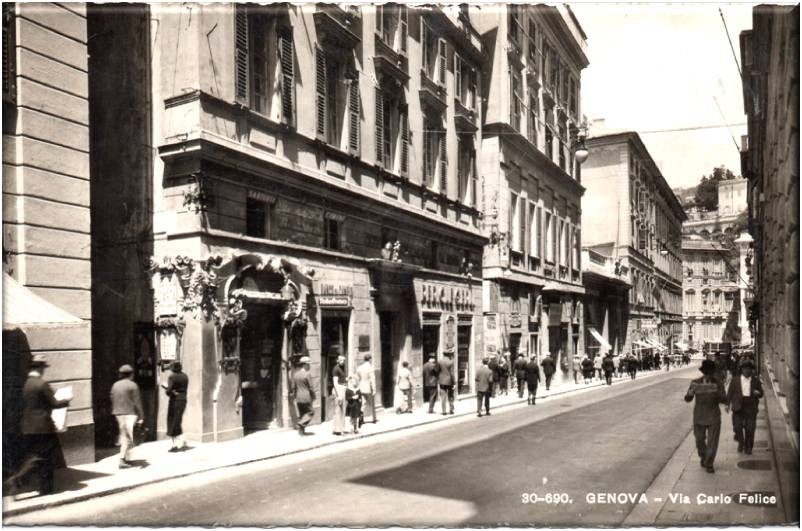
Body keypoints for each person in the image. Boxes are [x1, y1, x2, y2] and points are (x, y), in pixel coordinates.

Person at [20, 354, 71, 495]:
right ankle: (44, 488)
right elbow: (54, 403)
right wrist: (66, 400)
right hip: (43, 427)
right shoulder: (42, 384)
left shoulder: (26, 384)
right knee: (47, 458)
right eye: (43, 368)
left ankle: (22, 478)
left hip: (27, 427)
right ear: (40, 368)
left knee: (35, 455)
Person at [684, 359, 727, 473]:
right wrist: (690, 394)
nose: (708, 375)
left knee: (712, 442)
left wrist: (716, 392)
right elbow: (687, 399)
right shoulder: (695, 382)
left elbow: (724, 399)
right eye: (706, 372)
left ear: (713, 372)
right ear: (703, 372)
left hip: (714, 416)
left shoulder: (719, 383)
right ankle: (703, 456)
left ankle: (709, 463)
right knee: (699, 440)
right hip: (699, 416)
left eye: (710, 372)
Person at [726, 359, 763, 454]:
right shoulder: (735, 380)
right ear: (741, 370)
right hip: (738, 406)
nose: (747, 371)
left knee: (750, 428)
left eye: (749, 369)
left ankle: (748, 447)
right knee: (737, 427)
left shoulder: (756, 381)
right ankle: (741, 442)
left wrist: (758, 393)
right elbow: (730, 392)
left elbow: (761, 393)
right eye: (745, 369)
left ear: (751, 370)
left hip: (750, 406)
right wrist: (727, 404)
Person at [110, 364, 144, 468]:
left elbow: (112, 397)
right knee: (128, 437)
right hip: (130, 413)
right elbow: (137, 402)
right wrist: (141, 415)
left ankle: (126, 457)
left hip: (118, 413)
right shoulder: (133, 385)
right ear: (131, 374)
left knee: (124, 434)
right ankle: (122, 460)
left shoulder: (115, 385)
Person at [164, 361, 188, 452]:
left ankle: (174, 445)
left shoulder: (172, 377)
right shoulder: (185, 376)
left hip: (175, 401)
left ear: (173, 368)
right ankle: (183, 440)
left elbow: (168, 391)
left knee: (172, 421)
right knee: (178, 420)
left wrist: (168, 390)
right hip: (183, 400)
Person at [291, 356, 315, 436]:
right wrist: (313, 396)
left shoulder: (296, 374)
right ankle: (300, 424)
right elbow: (311, 387)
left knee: (302, 414)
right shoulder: (307, 374)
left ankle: (301, 432)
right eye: (308, 364)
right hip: (306, 397)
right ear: (304, 364)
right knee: (311, 412)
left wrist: (295, 397)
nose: (309, 366)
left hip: (298, 397)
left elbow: (293, 387)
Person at [356, 354, 377, 423]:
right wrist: (374, 389)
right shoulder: (370, 368)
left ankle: (361, 416)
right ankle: (373, 418)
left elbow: (357, 378)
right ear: (370, 359)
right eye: (371, 359)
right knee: (372, 403)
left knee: (363, 403)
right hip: (368, 387)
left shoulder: (360, 367)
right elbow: (372, 379)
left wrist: (358, 386)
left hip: (361, 386)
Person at [331, 354, 347, 435]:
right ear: (337, 360)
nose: (342, 361)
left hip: (342, 388)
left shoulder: (342, 368)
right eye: (341, 360)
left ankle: (341, 429)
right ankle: (337, 430)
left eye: (343, 360)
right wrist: (339, 395)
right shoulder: (336, 369)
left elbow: (342, 379)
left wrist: (347, 379)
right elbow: (335, 383)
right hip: (338, 390)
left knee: (342, 410)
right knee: (338, 410)